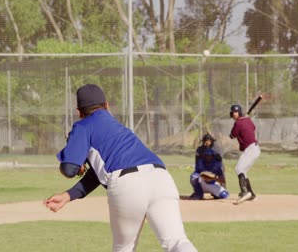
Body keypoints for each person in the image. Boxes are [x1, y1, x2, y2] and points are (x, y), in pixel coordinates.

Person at [43, 84, 197, 252]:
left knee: (124, 247)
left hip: (127, 184)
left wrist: (75, 164)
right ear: (107, 106)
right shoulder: (120, 129)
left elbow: (69, 169)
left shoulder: (83, 126)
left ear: (79, 112)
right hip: (161, 177)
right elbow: (98, 173)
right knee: (176, 241)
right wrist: (69, 195)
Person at [229, 104, 261, 204]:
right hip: (255, 149)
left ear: (240, 113)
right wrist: (245, 120)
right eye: (233, 112)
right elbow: (253, 127)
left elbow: (232, 135)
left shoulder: (238, 123)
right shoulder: (248, 120)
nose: (234, 114)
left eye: (236, 112)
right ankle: (251, 194)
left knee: (238, 169)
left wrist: (239, 122)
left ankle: (245, 192)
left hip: (251, 149)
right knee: (243, 171)